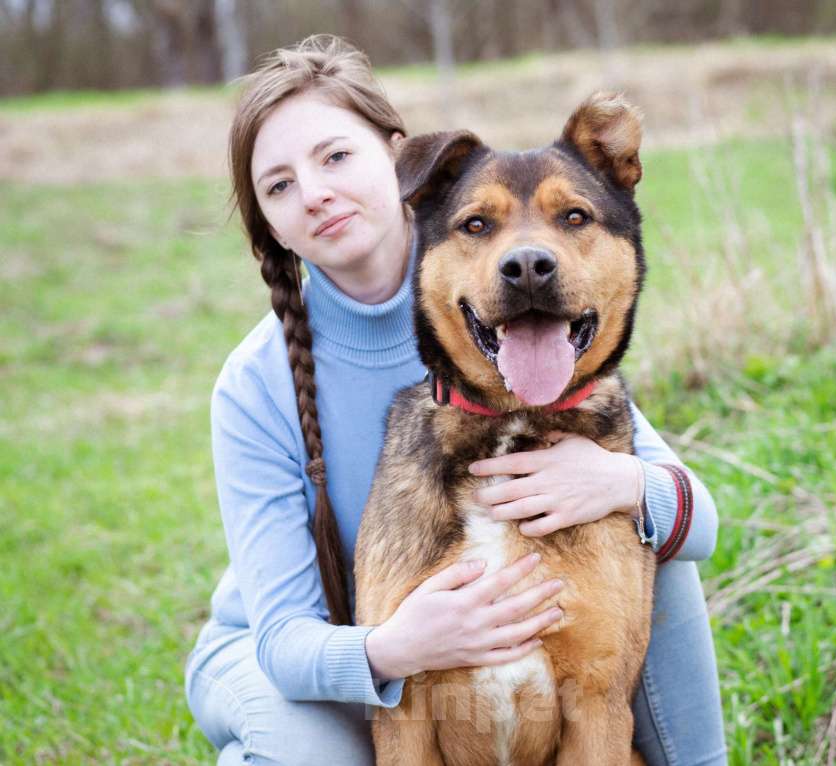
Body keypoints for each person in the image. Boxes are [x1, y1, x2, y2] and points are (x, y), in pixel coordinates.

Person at [183, 34, 728, 766]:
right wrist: (397, 645)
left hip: (449, 648)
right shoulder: (257, 382)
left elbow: (697, 515)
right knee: (307, 753)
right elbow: (281, 638)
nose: (314, 192)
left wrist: (621, 483)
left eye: (336, 156)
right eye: (279, 186)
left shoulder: (511, 317)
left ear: (395, 157)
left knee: (650, 527)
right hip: (310, 650)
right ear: (268, 224)